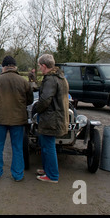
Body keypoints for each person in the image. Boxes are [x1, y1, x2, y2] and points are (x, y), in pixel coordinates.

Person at [0, 56, 34, 181]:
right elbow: (30, 100)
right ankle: (18, 175)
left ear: (4, 67)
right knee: (17, 147)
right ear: (15, 66)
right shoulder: (23, 81)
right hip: (18, 119)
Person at [33, 54, 69, 183]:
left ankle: (52, 175)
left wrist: (36, 108)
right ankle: (47, 169)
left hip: (51, 118)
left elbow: (45, 99)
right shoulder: (60, 77)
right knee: (46, 145)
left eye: (39, 66)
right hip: (56, 116)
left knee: (48, 146)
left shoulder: (50, 79)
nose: (39, 68)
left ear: (43, 66)